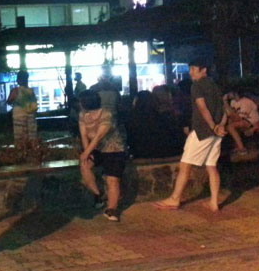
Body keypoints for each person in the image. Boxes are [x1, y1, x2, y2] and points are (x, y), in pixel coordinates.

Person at [155, 59, 227, 212]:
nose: (191, 72)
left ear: (204, 70)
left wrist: (213, 126)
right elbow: (224, 109)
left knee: (185, 164)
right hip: (215, 133)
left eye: (194, 69)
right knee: (211, 166)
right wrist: (220, 126)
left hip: (202, 131)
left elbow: (202, 107)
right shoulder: (215, 85)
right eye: (190, 69)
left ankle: (175, 199)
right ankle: (214, 202)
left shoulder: (197, 86)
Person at [78, 90, 127, 221]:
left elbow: (99, 136)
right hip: (97, 150)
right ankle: (98, 194)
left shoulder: (106, 114)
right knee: (85, 166)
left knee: (112, 179)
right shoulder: (83, 115)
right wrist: (87, 152)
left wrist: (86, 153)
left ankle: (112, 209)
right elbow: (84, 135)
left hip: (114, 149)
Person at [126, 90, 184, 158]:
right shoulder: (164, 118)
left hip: (142, 154)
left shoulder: (132, 121)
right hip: (167, 154)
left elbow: (130, 141)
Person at [6, 69, 37, 147]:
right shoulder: (31, 91)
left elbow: (9, 101)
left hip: (19, 117)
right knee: (31, 138)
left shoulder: (15, 91)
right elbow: (35, 105)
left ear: (18, 80)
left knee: (20, 139)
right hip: (31, 117)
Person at [224, 90, 259, 155]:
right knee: (230, 122)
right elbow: (232, 116)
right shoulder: (233, 102)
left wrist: (226, 103)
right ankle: (237, 146)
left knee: (230, 127)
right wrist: (225, 103)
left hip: (251, 121)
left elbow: (239, 118)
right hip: (243, 121)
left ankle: (242, 149)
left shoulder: (246, 101)